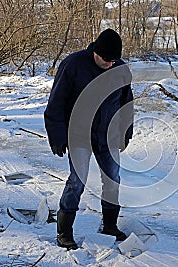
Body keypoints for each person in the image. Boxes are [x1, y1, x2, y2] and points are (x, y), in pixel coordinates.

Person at [44, 28, 134, 250]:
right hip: (79, 137)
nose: (110, 64)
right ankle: (64, 232)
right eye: (106, 59)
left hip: (108, 137)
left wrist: (125, 132)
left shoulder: (121, 70)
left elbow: (126, 105)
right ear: (96, 51)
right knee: (77, 182)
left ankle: (109, 226)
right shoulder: (73, 65)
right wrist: (57, 136)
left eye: (114, 60)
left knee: (113, 179)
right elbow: (56, 103)